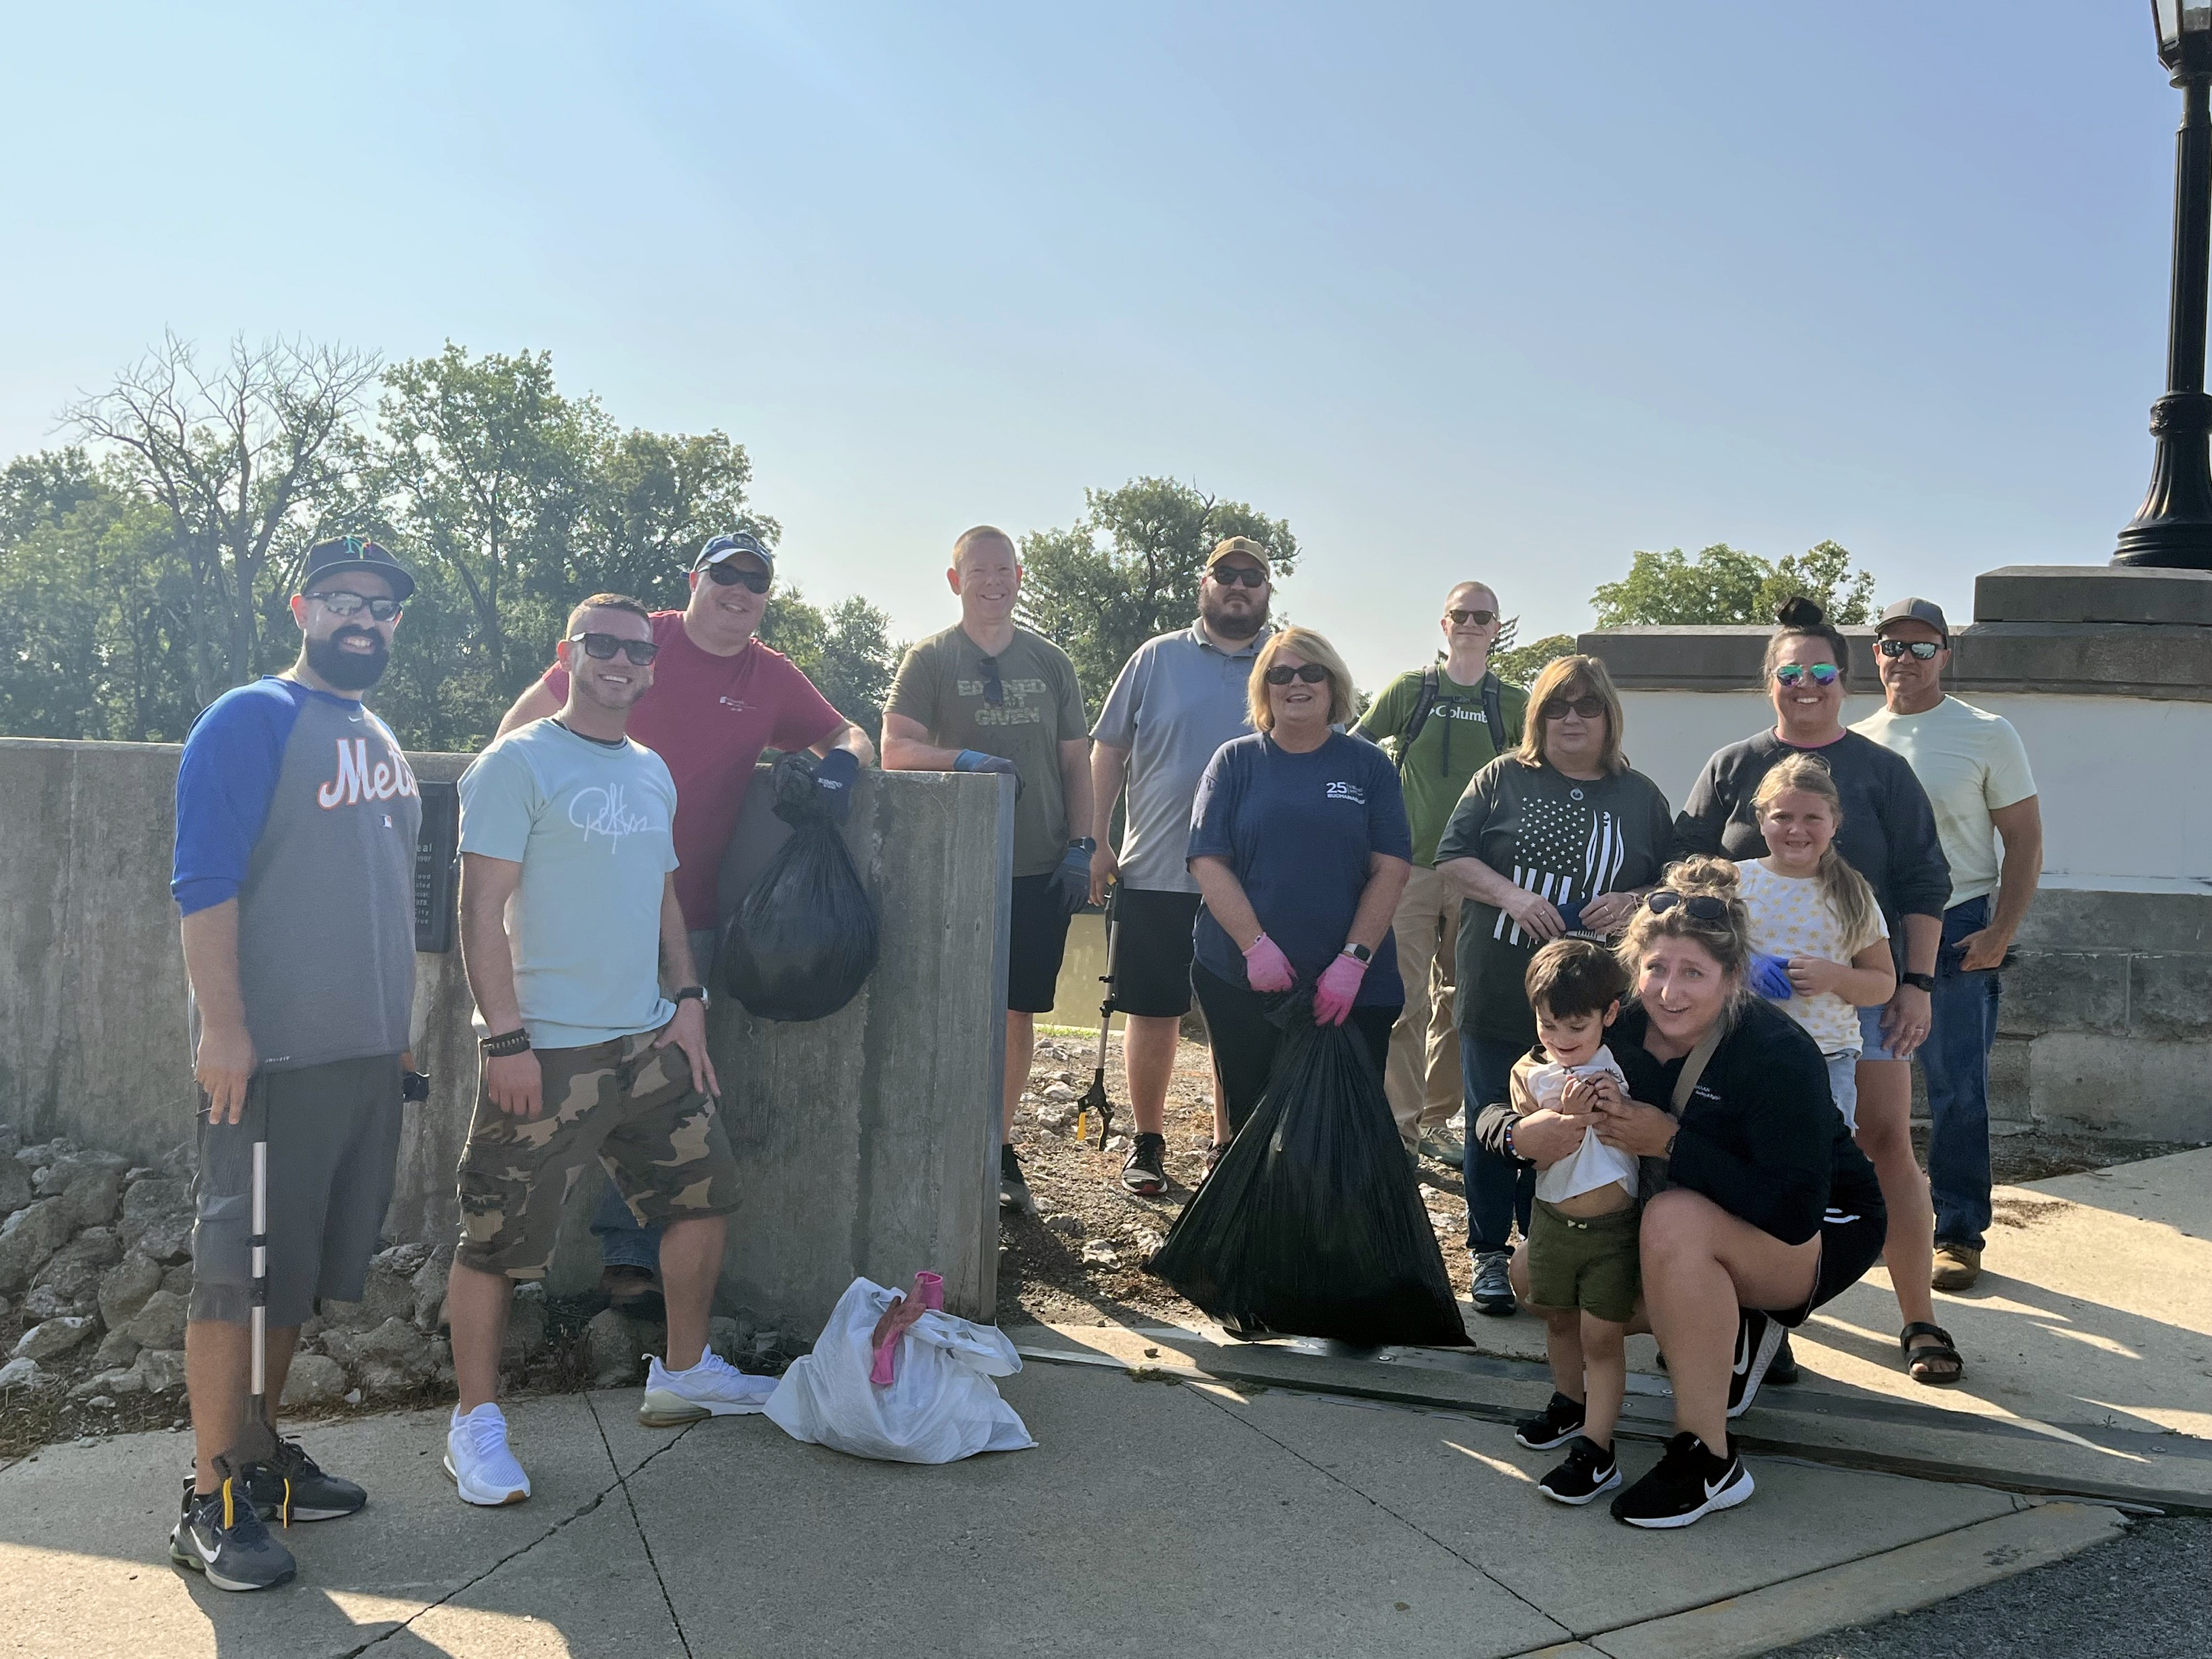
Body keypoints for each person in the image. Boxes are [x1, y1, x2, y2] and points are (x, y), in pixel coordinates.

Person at [497, 531, 874, 1318]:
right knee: (579, 1076)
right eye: (724, 575)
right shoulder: (639, 639)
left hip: (688, 918)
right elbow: (524, 727)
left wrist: (842, 765)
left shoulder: (769, 675)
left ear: (767, 597)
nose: (739, 590)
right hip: (580, 913)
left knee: (670, 1084)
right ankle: (517, 1267)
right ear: (694, 580)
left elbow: (848, 732)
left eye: (756, 580)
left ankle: (641, 1257)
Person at [448, 595, 766, 1508]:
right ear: (569, 654)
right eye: (602, 645)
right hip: (547, 1051)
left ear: (652, 667)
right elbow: (479, 914)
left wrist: (690, 1000)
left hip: (648, 1042)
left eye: (635, 649)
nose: (620, 661)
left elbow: (665, 897)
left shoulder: (650, 771)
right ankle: (474, 1425)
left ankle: (686, 1370)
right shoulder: (515, 764)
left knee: (705, 1197)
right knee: (494, 1243)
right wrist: (505, 1039)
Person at [1482, 860, 1888, 1528]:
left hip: (1820, 1231)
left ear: (1732, 980)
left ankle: (1709, 1458)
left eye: (1693, 973)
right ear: (1633, 971)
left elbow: (1793, 1210)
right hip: (1693, 1221)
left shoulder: (1775, 1052)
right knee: (1534, 1275)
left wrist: (1670, 1142)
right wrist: (1520, 1134)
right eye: (1657, 969)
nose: (1670, 992)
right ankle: (1717, 1326)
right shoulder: (1612, 1024)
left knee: (1673, 1219)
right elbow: (1499, 1103)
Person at [169, 535, 424, 1593]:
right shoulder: (251, 717)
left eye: (382, 604)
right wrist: (224, 1027)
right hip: (270, 1060)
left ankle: (265, 1459)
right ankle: (210, 1495)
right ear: (301, 607)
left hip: (362, 1058)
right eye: (342, 599)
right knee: (238, 1276)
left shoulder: (379, 733)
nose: (363, 617)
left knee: (296, 1282)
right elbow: (203, 881)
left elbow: (378, 893)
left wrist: (394, 1027)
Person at [1675, 596, 1959, 1386]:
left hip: (1858, 1009)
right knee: (1755, 1158)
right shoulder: (1733, 766)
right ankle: (1769, 1317)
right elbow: (1683, 872)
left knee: (1885, 1145)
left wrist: (1918, 986)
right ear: (1770, 681)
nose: (1806, 685)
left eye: (1821, 671)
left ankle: (1918, 1314)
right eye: (1790, 672)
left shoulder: (1882, 771)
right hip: (1744, 1019)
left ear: (1846, 677)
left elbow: (1923, 882)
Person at [1433, 655, 1677, 1318]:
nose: (1572, 719)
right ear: (1537, 718)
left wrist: (1633, 899)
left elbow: (1674, 877)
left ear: (1608, 717)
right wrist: (1511, 896)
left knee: (1585, 1118)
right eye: (1556, 707)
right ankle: (1490, 1251)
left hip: (1593, 1001)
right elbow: (1452, 855)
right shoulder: (1502, 779)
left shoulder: (1639, 795)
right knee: (1500, 1117)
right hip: (1499, 981)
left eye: (1586, 706)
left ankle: (1559, 1248)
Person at [882, 526, 1092, 1216]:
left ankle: (998, 1148)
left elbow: (1075, 762)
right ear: (955, 581)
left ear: (1020, 576)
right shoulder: (932, 659)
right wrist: (963, 761)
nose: (993, 582)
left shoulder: (1051, 661)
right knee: (945, 1004)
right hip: (954, 867)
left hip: (1039, 865)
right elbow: (894, 749)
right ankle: (937, 1138)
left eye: (1004, 570)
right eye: (979, 571)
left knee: (1016, 1008)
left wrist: (1084, 844)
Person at [1854, 598, 2042, 1294]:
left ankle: (1959, 1232)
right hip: (1870, 930)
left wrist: (2000, 933)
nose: (1905, 659)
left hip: (1959, 928)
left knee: (1957, 1088)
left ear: (1945, 655)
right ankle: (1872, 1220)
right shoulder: (1856, 739)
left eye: (1921, 646)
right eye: (1892, 646)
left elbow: (2024, 839)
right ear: (1875, 655)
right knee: (1862, 1085)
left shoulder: (1986, 733)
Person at [1087, 535, 1275, 1193]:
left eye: (1253, 577)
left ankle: (1228, 1147)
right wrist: (1097, 839)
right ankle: (1147, 1142)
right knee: (1152, 1009)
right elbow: (1107, 749)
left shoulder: (1288, 664)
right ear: (1205, 583)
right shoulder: (1155, 658)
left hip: (1251, 885)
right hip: (1154, 870)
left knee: (1238, 1015)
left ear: (1267, 591)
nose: (1239, 586)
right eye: (1227, 574)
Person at [1186, 628, 1413, 1128]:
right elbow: (1206, 859)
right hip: (1244, 980)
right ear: (1263, 689)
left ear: (1334, 684)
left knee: (1344, 1133)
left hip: (1353, 988)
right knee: (1254, 1126)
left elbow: (1391, 868)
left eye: (1312, 672)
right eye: (1280, 674)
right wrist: (1254, 947)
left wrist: (1353, 962)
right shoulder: (1234, 761)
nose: (1297, 684)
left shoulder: (1369, 766)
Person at [1353, 581, 1529, 1162]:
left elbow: (1542, 767)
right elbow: (1355, 748)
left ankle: (1436, 1121)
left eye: (1484, 615)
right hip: (1406, 870)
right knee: (1405, 1001)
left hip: (1479, 875)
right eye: (1462, 614)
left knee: (1461, 1001)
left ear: (1497, 628)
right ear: (1444, 623)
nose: (1472, 623)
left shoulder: (1513, 702)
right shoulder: (1411, 690)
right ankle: (1399, 1132)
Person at [1507, 939, 1642, 1505]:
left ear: (1610, 1015)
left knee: (1601, 1339)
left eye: (1576, 1027)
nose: (1561, 1040)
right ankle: (1569, 1402)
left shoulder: (1613, 1070)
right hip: (1552, 1223)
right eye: (1548, 1025)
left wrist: (1604, 1106)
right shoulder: (1531, 1073)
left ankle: (1598, 1448)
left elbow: (1630, 1118)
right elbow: (1531, 1148)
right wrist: (1550, 1118)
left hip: (1612, 1232)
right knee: (1557, 1320)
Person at [1739, 753, 1897, 1133]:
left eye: (1812, 818)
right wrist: (1743, 970)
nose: (1797, 829)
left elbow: (1882, 982)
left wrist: (1835, 977)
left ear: (1834, 824)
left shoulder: (1852, 893)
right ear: (1761, 821)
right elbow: (1695, 958)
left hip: (1826, 1055)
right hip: (1741, 1049)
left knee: (1822, 1158)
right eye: (1782, 817)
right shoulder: (1734, 883)